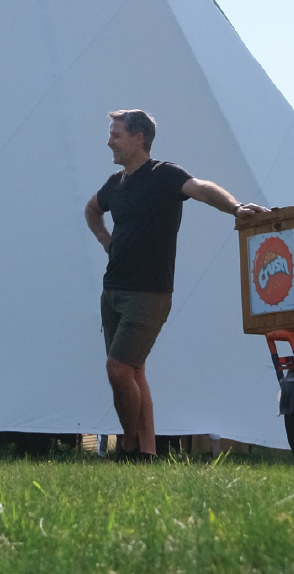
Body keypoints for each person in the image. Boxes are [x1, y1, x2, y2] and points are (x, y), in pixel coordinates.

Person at [83, 109, 268, 460]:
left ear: (139, 138)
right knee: (134, 370)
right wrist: (107, 242)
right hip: (114, 291)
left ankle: (129, 444)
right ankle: (147, 453)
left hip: (149, 293)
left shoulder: (163, 174)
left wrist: (236, 207)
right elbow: (92, 210)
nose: (110, 141)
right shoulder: (115, 184)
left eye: (116, 134)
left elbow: (201, 189)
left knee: (118, 369)